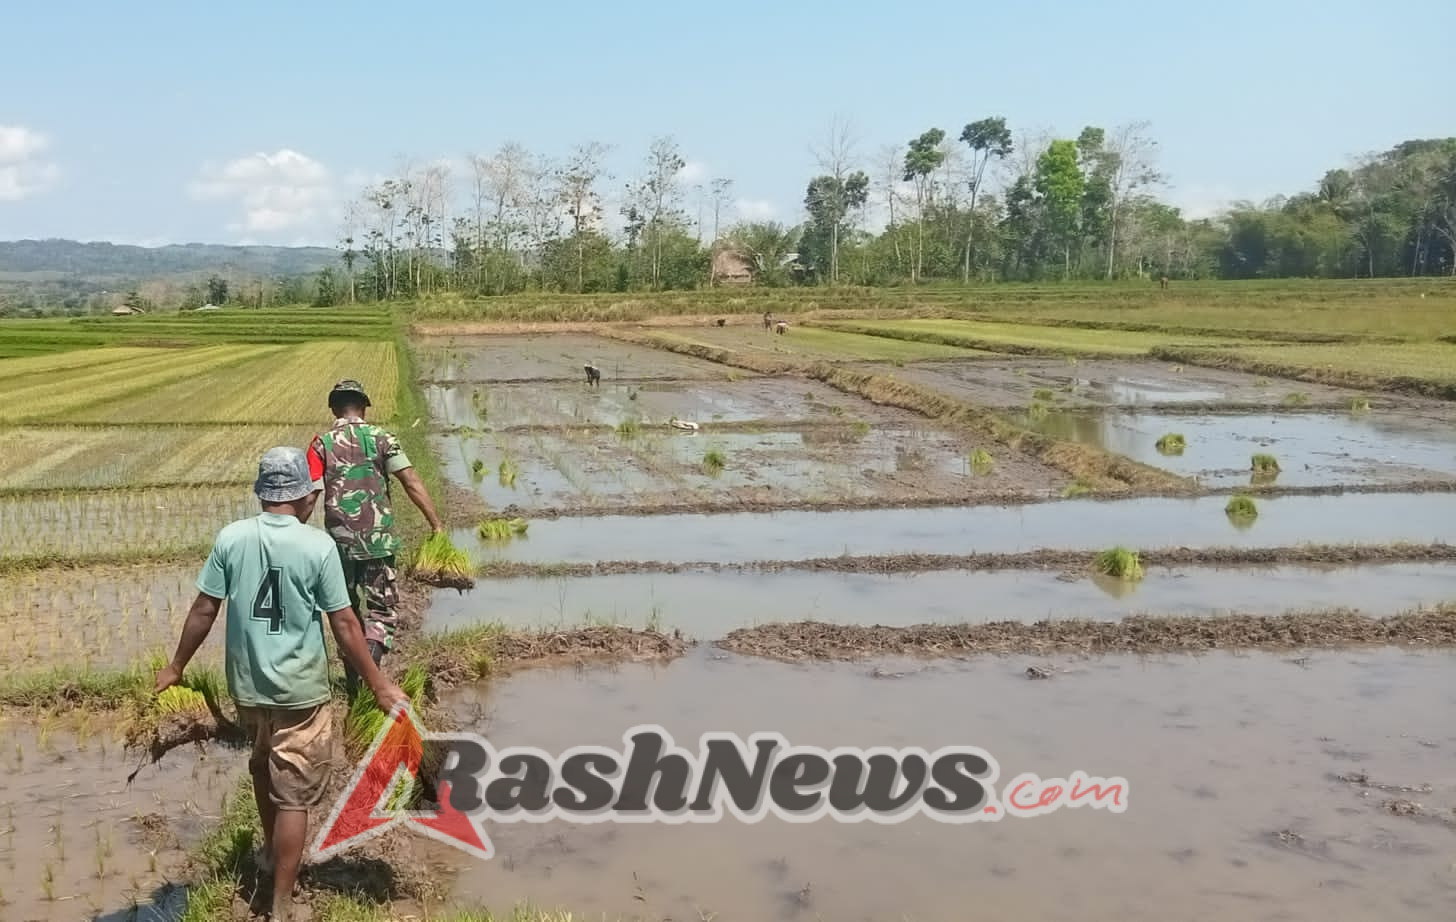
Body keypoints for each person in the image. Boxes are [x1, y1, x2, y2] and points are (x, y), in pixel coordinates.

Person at [155, 446, 406, 922]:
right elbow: (347, 625)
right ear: (306, 499)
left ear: (263, 494)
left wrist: (176, 667)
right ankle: (283, 902)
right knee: (293, 794)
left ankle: (270, 855)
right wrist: (378, 685)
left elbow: (204, 609)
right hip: (300, 692)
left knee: (263, 766)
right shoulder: (317, 546)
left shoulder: (231, 538)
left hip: (247, 687)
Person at [306, 379, 445, 694]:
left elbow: (310, 495)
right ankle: (373, 683)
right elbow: (410, 480)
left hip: (338, 546)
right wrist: (435, 524)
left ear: (333, 408)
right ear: (364, 407)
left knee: (346, 613)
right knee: (382, 611)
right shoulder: (383, 438)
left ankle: (357, 684)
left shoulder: (320, 444)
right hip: (378, 542)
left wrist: (290, 536)